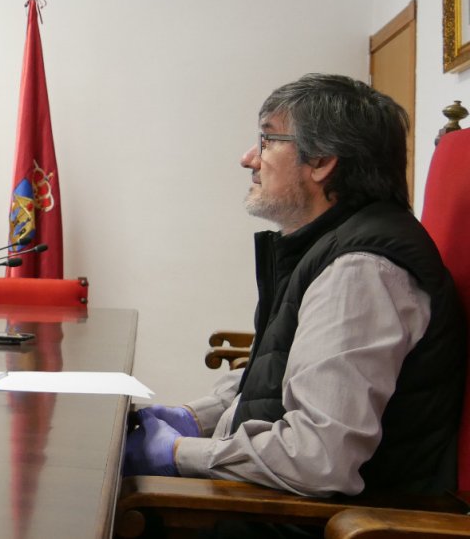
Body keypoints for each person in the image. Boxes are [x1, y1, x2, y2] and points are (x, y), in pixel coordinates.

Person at [123, 76, 465, 523]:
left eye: (267, 140)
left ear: (321, 161)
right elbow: (281, 376)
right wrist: (194, 417)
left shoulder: (360, 271)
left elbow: (317, 458)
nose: (249, 158)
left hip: (311, 521)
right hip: (282, 506)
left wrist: (177, 452)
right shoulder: (328, 245)